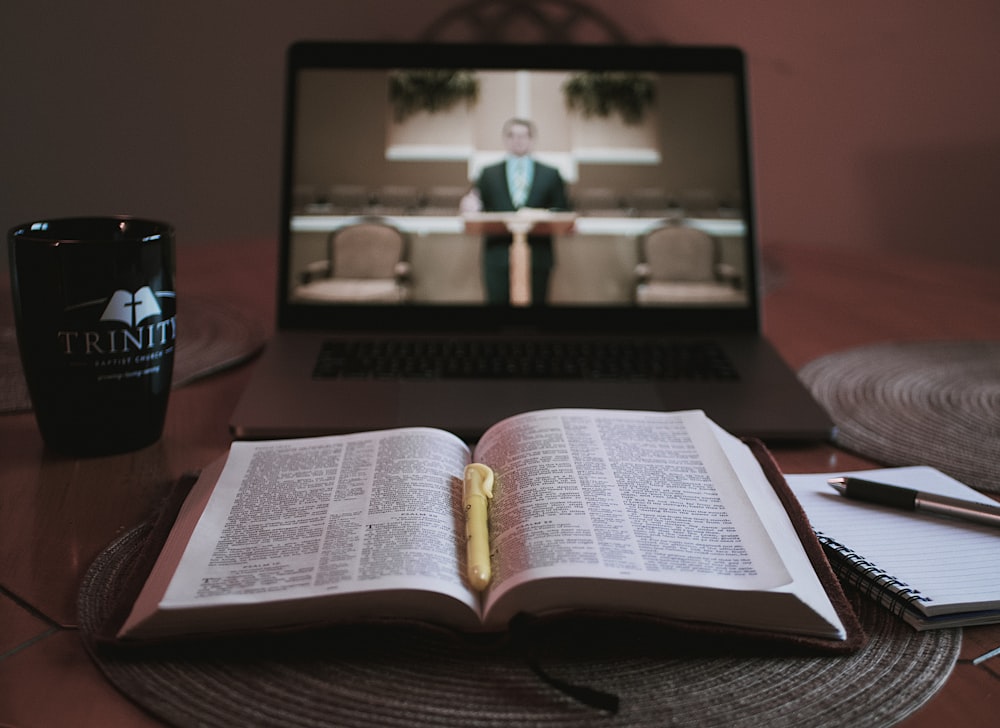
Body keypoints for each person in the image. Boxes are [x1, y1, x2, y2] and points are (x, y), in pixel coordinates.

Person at [461, 118, 569, 305]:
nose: (518, 140)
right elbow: (477, 205)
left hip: (538, 255)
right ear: (505, 140)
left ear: (532, 139)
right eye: (512, 135)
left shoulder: (551, 174)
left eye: (523, 135)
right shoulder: (488, 174)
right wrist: (470, 206)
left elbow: (563, 210)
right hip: (497, 254)